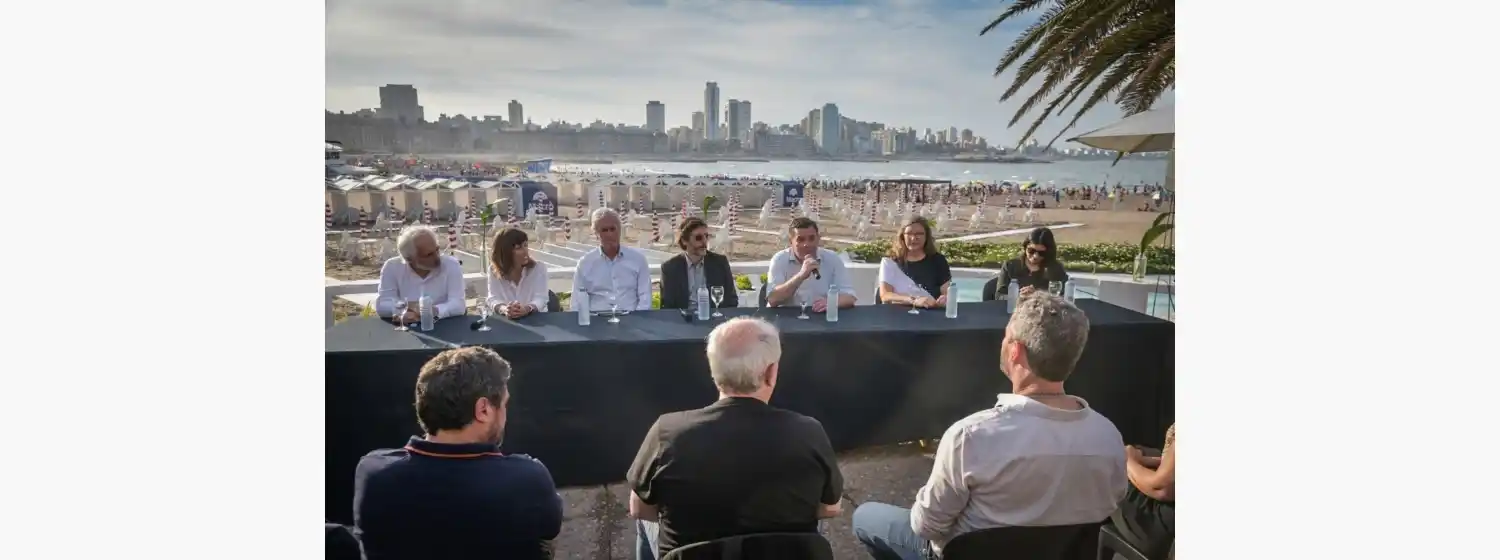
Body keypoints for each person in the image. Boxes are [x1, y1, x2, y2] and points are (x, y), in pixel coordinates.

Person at [852, 293, 1127, 560]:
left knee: (864, 517)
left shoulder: (970, 437)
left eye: (1005, 337)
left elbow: (926, 527)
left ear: (1015, 351)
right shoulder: (1108, 437)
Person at [627, 317, 844, 559]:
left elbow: (640, 509)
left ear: (713, 370)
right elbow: (830, 508)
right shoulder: (809, 432)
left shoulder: (667, 432)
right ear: (771, 373)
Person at [353, 347, 563, 560]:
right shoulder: (527, 479)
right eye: (504, 404)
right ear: (483, 409)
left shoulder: (373, 472)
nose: (505, 414)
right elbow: (549, 528)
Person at [375, 225, 467, 321]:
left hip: (445, 325)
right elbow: (382, 305)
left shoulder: (450, 264)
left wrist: (433, 311)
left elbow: (458, 305)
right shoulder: (392, 267)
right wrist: (405, 309)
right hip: (407, 329)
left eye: (437, 250)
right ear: (409, 259)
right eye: (428, 255)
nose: (436, 257)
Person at [571, 207, 653, 312]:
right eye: (604, 230)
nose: (610, 234)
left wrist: (637, 322)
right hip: (597, 322)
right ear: (596, 234)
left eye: (613, 229)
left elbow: (645, 299)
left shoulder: (638, 260)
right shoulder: (585, 263)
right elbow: (576, 303)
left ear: (619, 230)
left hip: (632, 320)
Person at [1113, 423, 1175, 559]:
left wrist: (1128, 460)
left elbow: (1162, 488)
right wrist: (1142, 459)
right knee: (1137, 450)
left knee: (1108, 465)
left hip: (1163, 525)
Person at [765, 217, 857, 310]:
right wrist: (801, 275)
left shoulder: (832, 258)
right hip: (786, 317)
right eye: (800, 239)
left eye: (811, 238)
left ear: (818, 238)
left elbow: (849, 296)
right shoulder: (779, 260)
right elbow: (773, 299)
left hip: (819, 316)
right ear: (791, 242)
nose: (807, 244)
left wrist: (831, 303)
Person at [659, 216, 738, 310]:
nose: (704, 241)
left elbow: (731, 300)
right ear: (684, 241)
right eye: (698, 238)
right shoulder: (670, 268)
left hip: (714, 319)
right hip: (684, 320)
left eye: (706, 236)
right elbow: (667, 306)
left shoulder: (720, 263)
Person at [877, 216, 952, 308]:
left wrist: (944, 299)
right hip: (898, 315)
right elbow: (885, 295)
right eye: (909, 234)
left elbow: (947, 292)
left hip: (931, 314)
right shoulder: (889, 262)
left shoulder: (938, 260)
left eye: (919, 234)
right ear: (902, 237)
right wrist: (913, 300)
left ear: (926, 237)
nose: (913, 238)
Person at [981, 226, 1070, 301]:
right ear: (1025, 247)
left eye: (1041, 253)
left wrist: (1036, 296)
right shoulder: (1011, 266)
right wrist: (1020, 297)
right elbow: (999, 296)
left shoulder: (1056, 269)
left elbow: (1060, 299)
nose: (1035, 256)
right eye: (1031, 251)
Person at [486, 227, 549, 318]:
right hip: (507, 322)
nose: (525, 251)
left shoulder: (539, 268)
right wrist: (505, 309)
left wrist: (527, 309)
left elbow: (541, 298)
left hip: (536, 320)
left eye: (526, 245)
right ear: (506, 252)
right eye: (518, 248)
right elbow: (492, 298)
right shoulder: (493, 271)